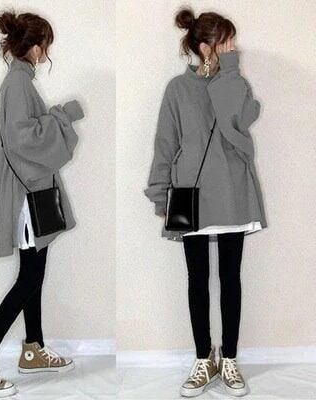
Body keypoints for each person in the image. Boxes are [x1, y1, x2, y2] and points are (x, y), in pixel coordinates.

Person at [0, 10, 84, 397]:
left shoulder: (20, 80)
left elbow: (22, 136)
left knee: (34, 272)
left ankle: (33, 348)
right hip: (26, 194)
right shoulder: (17, 83)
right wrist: (63, 115)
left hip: (30, 191)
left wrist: (54, 117)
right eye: (45, 44)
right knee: (30, 277)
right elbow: (22, 140)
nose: (47, 51)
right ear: (35, 46)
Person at [144, 7, 267, 398]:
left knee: (230, 278)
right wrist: (160, 192)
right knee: (196, 279)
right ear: (204, 46)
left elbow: (240, 120)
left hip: (232, 190)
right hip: (190, 195)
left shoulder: (235, 81)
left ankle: (228, 358)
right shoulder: (177, 89)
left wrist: (229, 71)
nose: (232, 47)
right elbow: (165, 143)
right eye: (225, 41)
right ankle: (203, 358)